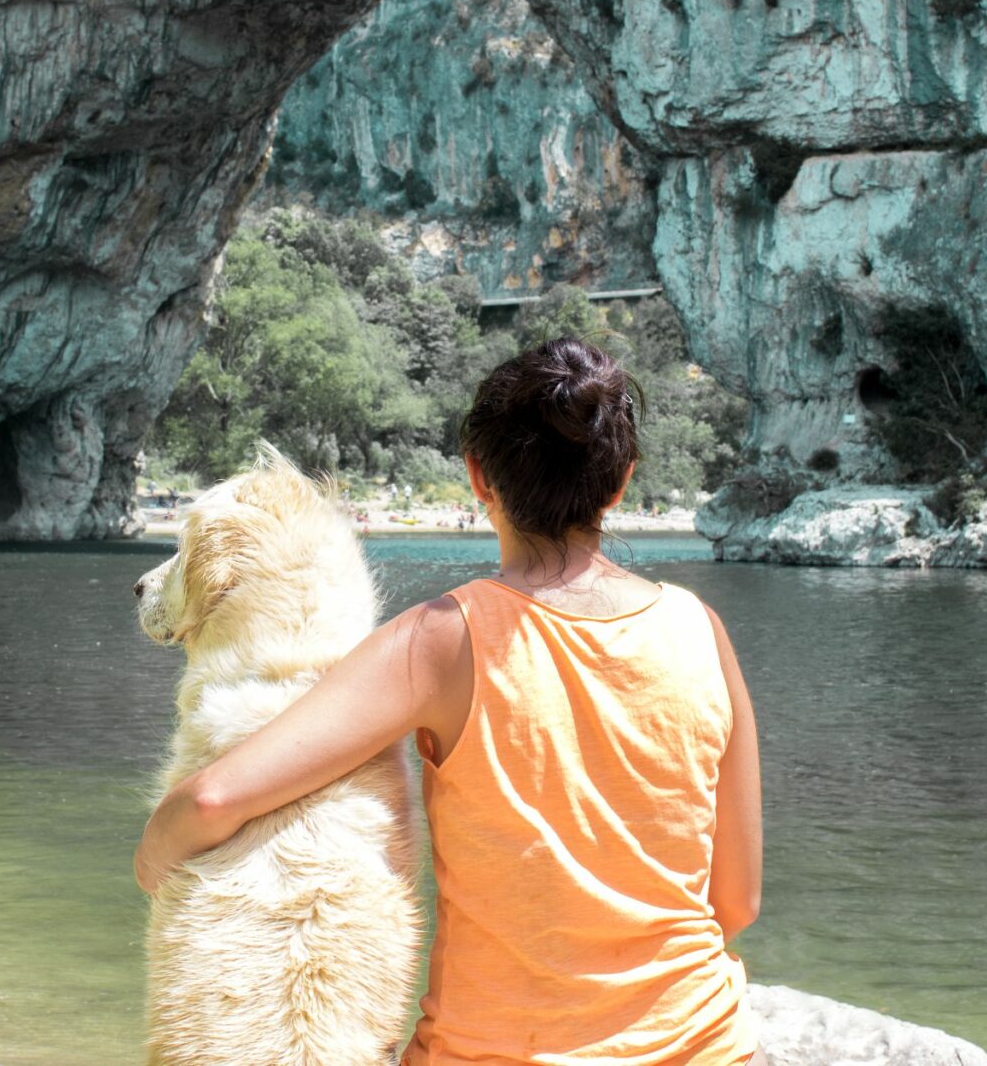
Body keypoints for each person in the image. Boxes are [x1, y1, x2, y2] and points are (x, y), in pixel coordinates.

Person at [135, 338, 764, 1064]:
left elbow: (214, 801)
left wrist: (156, 854)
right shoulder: (701, 629)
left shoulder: (441, 641)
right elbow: (736, 903)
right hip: (708, 1047)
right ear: (621, 482)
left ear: (478, 479)